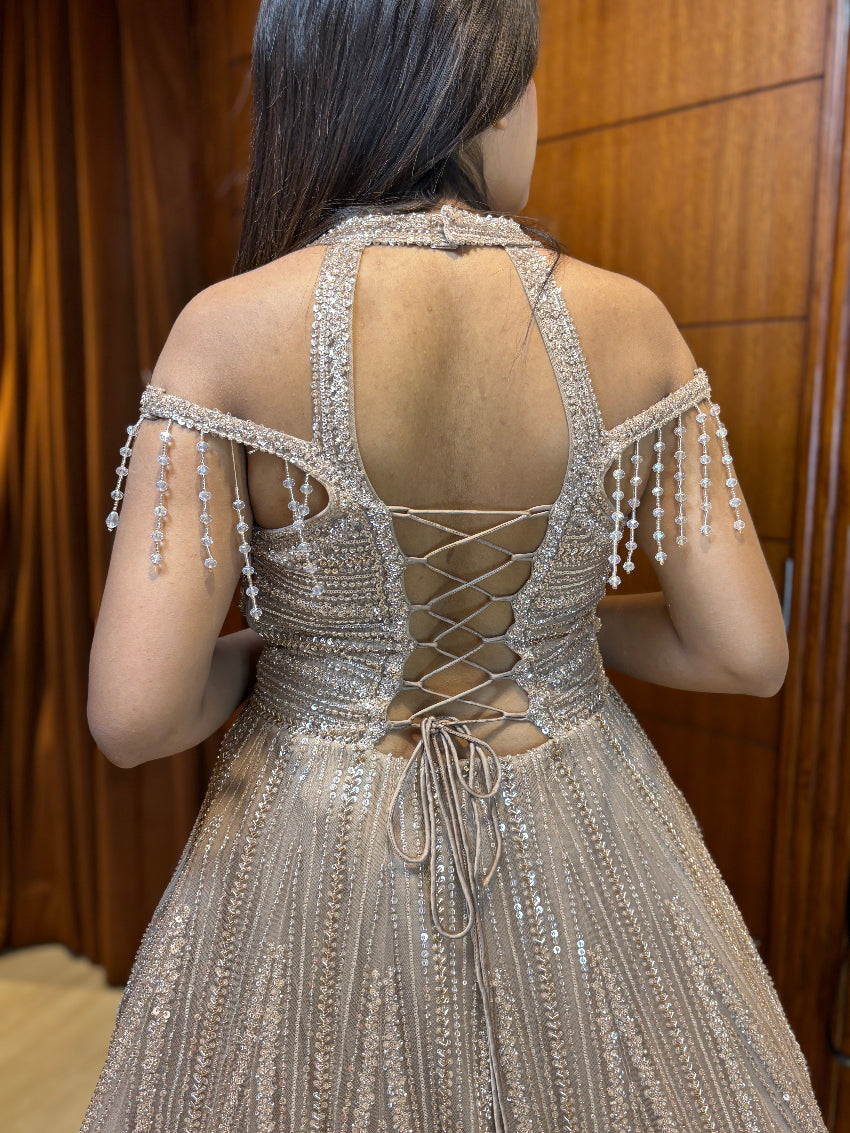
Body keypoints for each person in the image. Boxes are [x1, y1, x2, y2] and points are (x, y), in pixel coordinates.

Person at [81, 1, 827, 1130]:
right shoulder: (633, 324)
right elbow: (743, 653)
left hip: (314, 837)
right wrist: (556, 639)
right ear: (473, 96)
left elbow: (135, 713)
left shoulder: (227, 331)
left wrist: (310, 655)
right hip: (582, 813)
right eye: (525, 82)